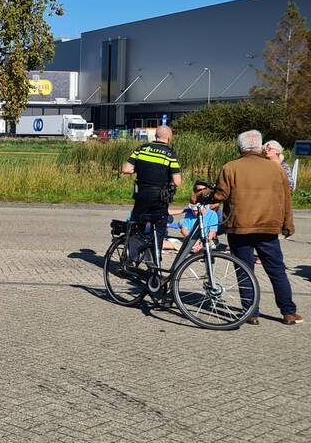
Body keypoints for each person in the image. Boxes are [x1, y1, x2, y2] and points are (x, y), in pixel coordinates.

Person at [202, 129, 300, 326]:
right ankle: (288, 312)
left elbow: (221, 195)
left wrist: (203, 194)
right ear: (260, 147)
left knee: (244, 269)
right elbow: (286, 200)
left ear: (240, 147)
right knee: (276, 270)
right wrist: (288, 225)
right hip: (269, 227)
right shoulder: (276, 169)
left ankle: (251, 312)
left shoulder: (231, 167)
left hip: (240, 227)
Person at [121, 124, 182, 256]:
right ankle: (155, 260)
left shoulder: (141, 149)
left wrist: (140, 170)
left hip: (141, 194)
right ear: (170, 138)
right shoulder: (170, 154)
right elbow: (177, 182)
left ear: (155, 136)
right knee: (159, 228)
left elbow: (126, 169)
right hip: (159, 198)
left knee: (138, 225)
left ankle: (131, 257)